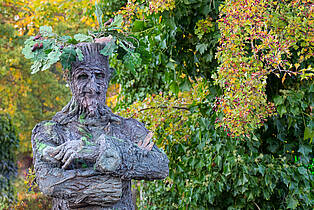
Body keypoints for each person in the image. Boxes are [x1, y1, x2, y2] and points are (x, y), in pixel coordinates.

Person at [31, 42, 169, 210]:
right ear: (69, 78)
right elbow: (50, 183)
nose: (93, 87)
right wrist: (113, 187)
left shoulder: (127, 128)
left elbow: (160, 166)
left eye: (99, 76)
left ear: (108, 78)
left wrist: (95, 152)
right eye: (82, 77)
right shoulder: (50, 131)